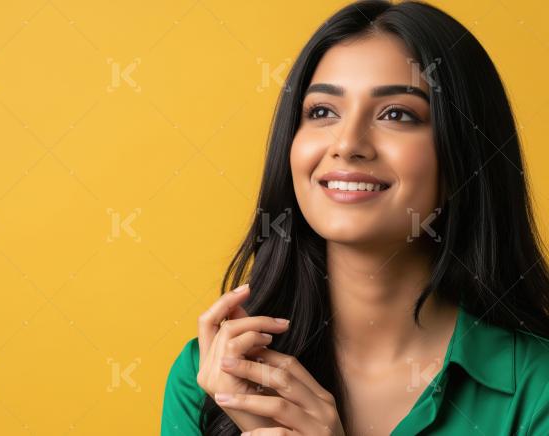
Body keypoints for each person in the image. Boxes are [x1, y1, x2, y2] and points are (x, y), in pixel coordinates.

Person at [160, 1, 549, 435]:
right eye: (322, 111)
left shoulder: (537, 387)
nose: (347, 144)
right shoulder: (209, 378)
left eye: (397, 114)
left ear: (466, 154)